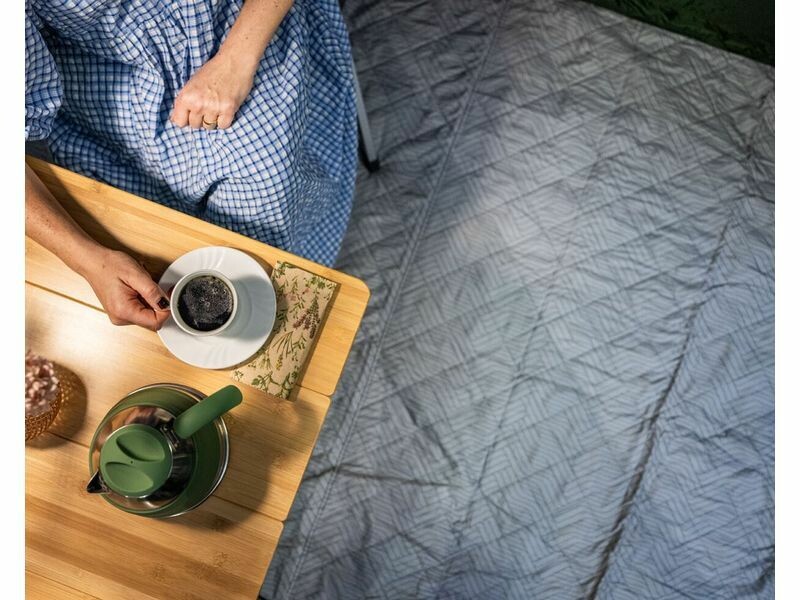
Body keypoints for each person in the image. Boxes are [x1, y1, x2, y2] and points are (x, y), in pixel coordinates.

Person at [25, 0, 357, 331]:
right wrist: (90, 262)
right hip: (97, 74)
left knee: (258, 229)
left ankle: (288, 303)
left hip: (232, 33)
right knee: (142, 245)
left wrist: (235, 61)